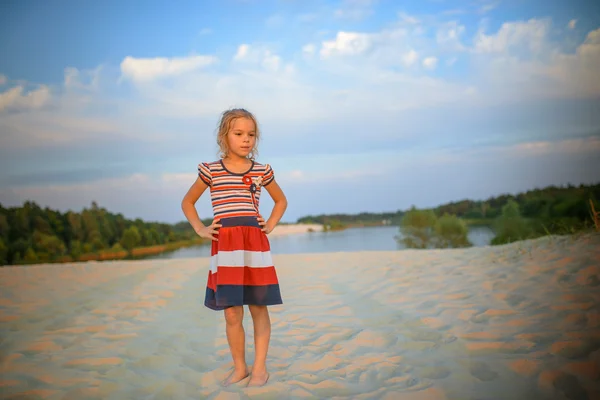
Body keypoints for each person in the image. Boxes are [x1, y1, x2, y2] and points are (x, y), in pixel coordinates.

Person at [181, 108, 288, 388]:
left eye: (251, 134)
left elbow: (281, 201)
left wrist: (270, 224)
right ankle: (240, 368)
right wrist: (201, 229)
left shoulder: (262, 171)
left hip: (254, 245)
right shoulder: (211, 170)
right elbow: (188, 202)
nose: (246, 140)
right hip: (226, 246)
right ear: (223, 136)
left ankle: (260, 368)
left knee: (258, 306)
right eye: (238, 134)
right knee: (231, 311)